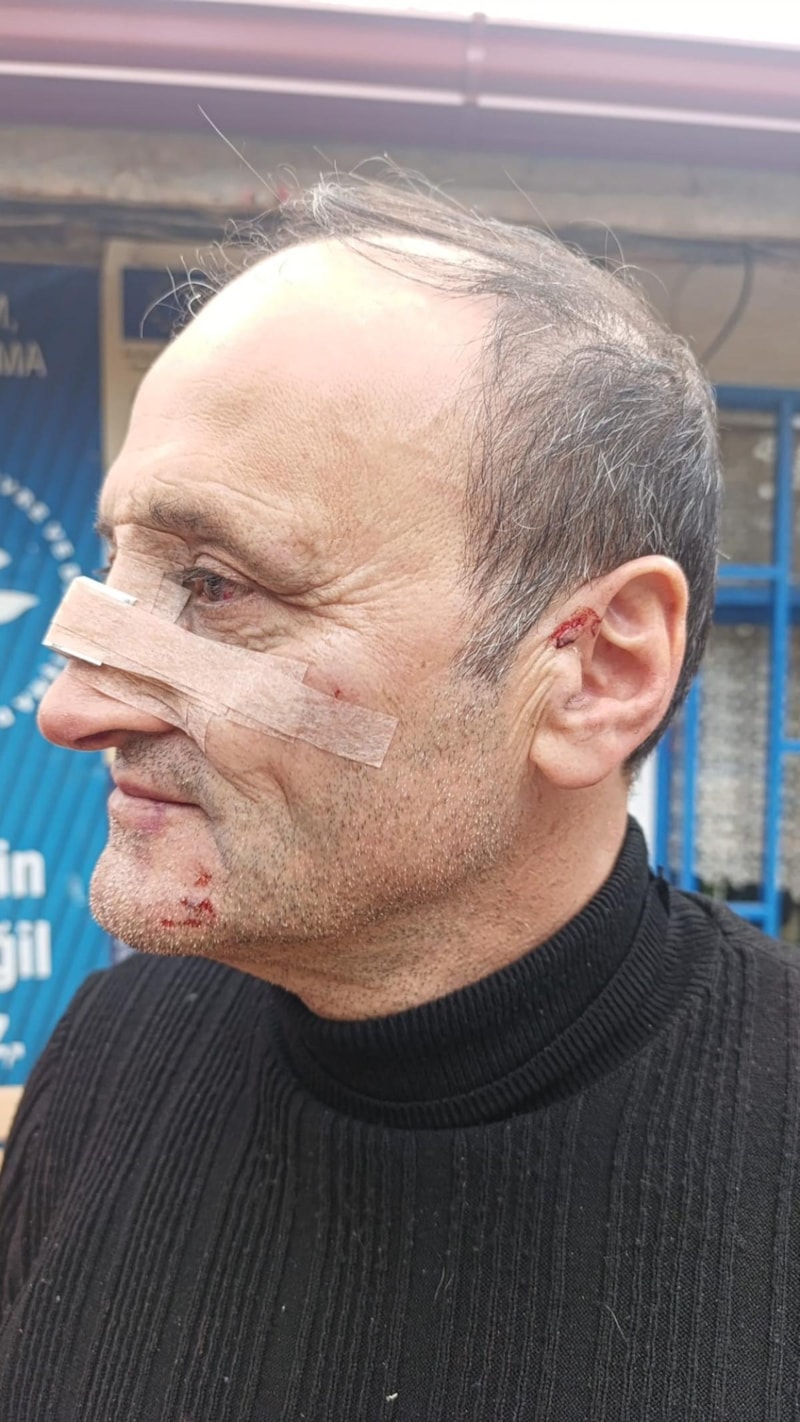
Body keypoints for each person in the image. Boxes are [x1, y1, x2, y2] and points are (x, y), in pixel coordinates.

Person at [0, 178, 797, 1422]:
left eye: (213, 584)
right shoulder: (112, 1050)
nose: (71, 708)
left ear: (594, 670)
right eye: (116, 566)